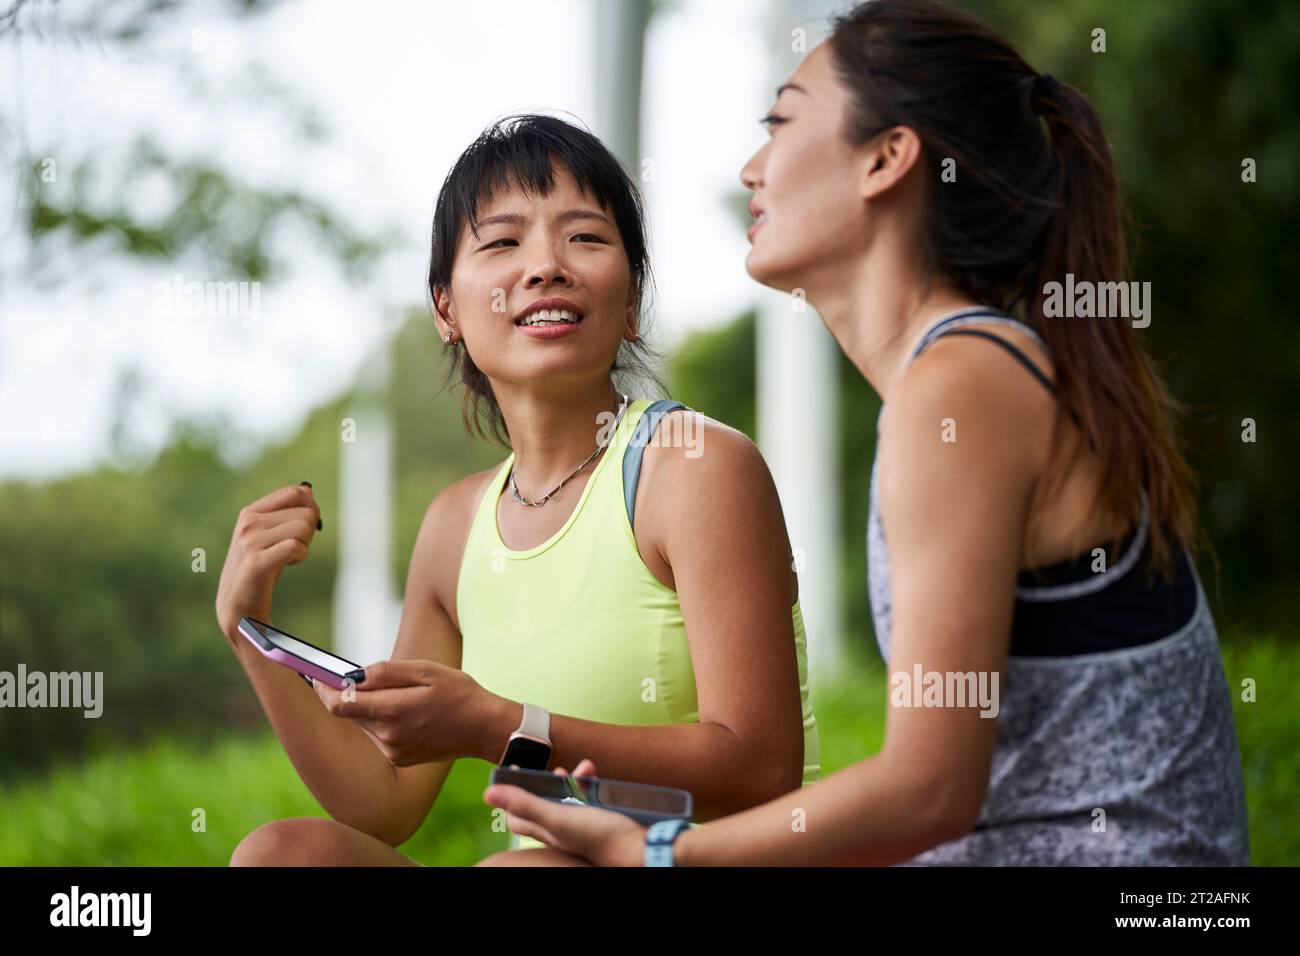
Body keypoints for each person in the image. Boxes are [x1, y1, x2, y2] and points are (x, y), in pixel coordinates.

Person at [483, 0, 1250, 866]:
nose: (751, 167)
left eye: (781, 122)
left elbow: (930, 789)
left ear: (887, 158)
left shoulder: (960, 387)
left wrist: (658, 854)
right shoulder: (963, 377)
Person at [217, 114, 820, 866]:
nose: (545, 266)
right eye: (502, 242)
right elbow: (383, 799)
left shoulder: (693, 468)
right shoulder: (454, 526)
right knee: (282, 855)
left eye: (586, 238)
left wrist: (507, 726)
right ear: (446, 309)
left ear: (631, 302)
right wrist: (250, 629)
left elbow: (762, 774)